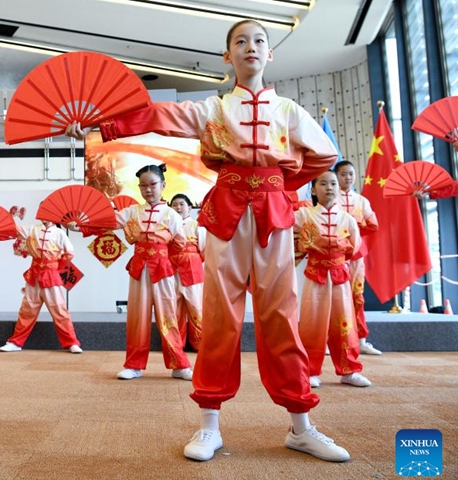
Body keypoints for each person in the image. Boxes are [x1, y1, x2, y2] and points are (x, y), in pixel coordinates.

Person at [67, 20, 349, 462]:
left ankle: (301, 425)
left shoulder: (290, 111)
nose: (250, 47)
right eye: (240, 42)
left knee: (281, 317)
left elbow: (326, 155)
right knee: (219, 316)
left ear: (270, 54)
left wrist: (278, 182)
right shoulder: (213, 109)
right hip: (226, 216)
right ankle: (209, 425)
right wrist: (103, 127)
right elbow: (159, 116)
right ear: (227, 56)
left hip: (273, 218)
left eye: (259, 41)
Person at [72, 165, 193, 381]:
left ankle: (179, 365)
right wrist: (82, 226)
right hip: (139, 268)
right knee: (138, 318)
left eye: (153, 185)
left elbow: (180, 244)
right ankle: (134, 365)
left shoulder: (171, 214)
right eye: (143, 186)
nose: (148, 190)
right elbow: (107, 221)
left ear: (163, 185)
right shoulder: (132, 212)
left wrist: (163, 257)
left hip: (163, 270)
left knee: (169, 317)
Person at [295, 171, 371, 388]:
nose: (329, 187)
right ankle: (310, 371)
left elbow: (354, 247)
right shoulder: (304, 215)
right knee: (312, 324)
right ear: (313, 189)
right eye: (323, 183)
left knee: (345, 323)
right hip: (314, 275)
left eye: (333, 183)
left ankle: (349, 370)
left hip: (339, 276)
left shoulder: (348, 219)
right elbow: (287, 231)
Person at [0, 216, 83, 354]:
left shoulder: (59, 233)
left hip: (51, 276)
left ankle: (71, 342)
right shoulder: (32, 229)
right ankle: (15, 342)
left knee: (59, 310)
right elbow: (13, 229)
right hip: (34, 275)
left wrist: (55, 265)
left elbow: (69, 253)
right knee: (27, 309)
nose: (44, 216)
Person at [334, 160, 381, 355]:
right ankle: (332, 341)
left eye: (351, 174)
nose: (348, 178)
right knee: (333, 297)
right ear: (336, 176)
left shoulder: (362, 201)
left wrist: (355, 225)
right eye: (343, 174)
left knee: (357, 296)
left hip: (355, 254)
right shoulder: (329, 198)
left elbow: (373, 225)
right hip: (333, 254)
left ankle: (361, 339)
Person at [169, 193, 205, 351]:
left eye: (181, 204)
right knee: (174, 308)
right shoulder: (167, 226)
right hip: (171, 269)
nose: (178, 207)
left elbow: (204, 249)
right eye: (174, 204)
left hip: (192, 269)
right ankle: (177, 344)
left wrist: (191, 259)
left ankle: (200, 343)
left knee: (196, 306)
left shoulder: (197, 225)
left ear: (190, 208)